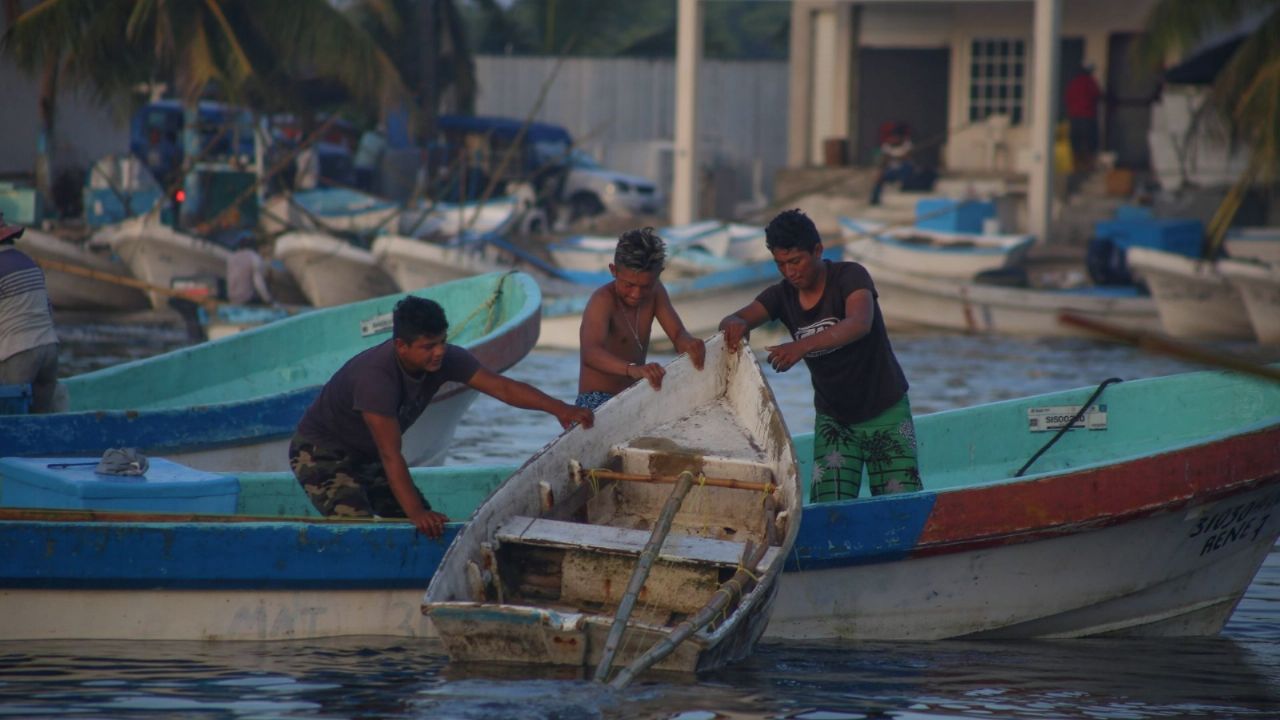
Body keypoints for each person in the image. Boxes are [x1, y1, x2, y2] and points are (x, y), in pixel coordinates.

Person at [290, 295, 593, 538]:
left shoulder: (447, 359)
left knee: (425, 524)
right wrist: (417, 514)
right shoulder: (376, 379)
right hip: (321, 452)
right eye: (427, 346)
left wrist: (561, 409)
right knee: (357, 528)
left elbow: (502, 387)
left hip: (367, 454)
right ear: (401, 346)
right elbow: (390, 454)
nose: (438, 352)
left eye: (442, 341)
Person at [718, 209, 921, 501]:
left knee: (902, 505)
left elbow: (859, 323)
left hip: (886, 410)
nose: (790, 272)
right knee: (830, 508)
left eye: (796, 261)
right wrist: (736, 326)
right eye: (781, 264)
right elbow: (733, 319)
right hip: (834, 419)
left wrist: (800, 346)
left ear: (818, 250)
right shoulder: (781, 296)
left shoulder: (850, 276)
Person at [576, 227, 706, 411]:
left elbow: (677, 335)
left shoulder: (656, 292)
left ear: (659, 274)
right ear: (614, 271)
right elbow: (591, 354)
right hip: (596, 400)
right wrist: (633, 370)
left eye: (645, 286)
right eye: (629, 285)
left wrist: (690, 344)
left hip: (636, 396)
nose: (636, 294)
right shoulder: (602, 300)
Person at [0, 214, 59, 413]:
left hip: (19, 353)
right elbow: (48, 310)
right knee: (41, 422)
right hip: (50, 350)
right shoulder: (30, 263)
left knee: (11, 420)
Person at [1065, 63, 1103, 173]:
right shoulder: (1089, 82)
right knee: (1090, 142)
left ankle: (1077, 166)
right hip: (1087, 117)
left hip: (1074, 117)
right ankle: (1088, 166)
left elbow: (1068, 98)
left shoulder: (1073, 83)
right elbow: (1097, 95)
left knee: (1076, 143)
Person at [870, 122, 915, 206]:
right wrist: (880, 172)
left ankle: (906, 187)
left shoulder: (907, 144)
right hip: (892, 170)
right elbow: (883, 162)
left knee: (908, 167)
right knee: (879, 179)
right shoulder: (887, 146)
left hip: (903, 170)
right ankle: (874, 200)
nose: (894, 139)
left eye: (897, 137)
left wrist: (897, 157)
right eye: (893, 137)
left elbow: (908, 157)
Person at [225, 232, 275, 306]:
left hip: (232, 298)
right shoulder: (254, 257)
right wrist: (268, 300)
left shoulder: (232, 257)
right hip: (248, 300)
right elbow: (258, 282)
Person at [353, 125, 387, 193]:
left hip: (359, 164)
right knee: (366, 187)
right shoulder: (383, 141)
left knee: (358, 186)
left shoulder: (367, 135)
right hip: (369, 167)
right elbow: (382, 155)